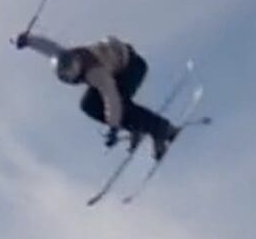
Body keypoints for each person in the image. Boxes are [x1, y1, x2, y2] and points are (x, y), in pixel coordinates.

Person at [15, 31, 180, 160]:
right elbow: (48, 47)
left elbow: (111, 99)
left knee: (122, 106)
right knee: (88, 105)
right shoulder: (66, 56)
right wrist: (27, 40)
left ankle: (163, 129)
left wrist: (113, 126)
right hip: (117, 69)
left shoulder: (96, 74)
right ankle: (136, 126)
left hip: (133, 68)